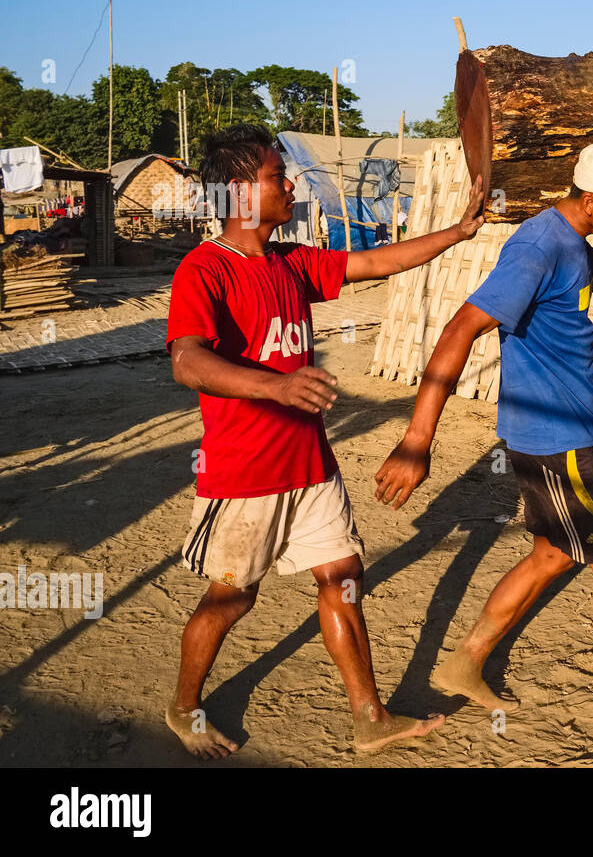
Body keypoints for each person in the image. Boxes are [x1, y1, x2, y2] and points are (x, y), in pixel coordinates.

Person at [165, 123, 487, 759]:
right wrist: (275, 388)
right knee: (233, 598)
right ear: (240, 191)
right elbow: (187, 362)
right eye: (274, 175)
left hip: (310, 466)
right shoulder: (204, 270)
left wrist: (458, 231)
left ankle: (369, 717)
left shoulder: (289, 260)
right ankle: (182, 707)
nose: (289, 184)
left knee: (342, 576)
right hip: (244, 472)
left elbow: (376, 261)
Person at [373, 141, 593, 761]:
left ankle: (465, 663)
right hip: (558, 444)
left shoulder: (575, 243)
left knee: (552, 554)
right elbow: (460, 329)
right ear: (591, 199)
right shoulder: (537, 245)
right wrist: (417, 440)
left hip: (563, 432)